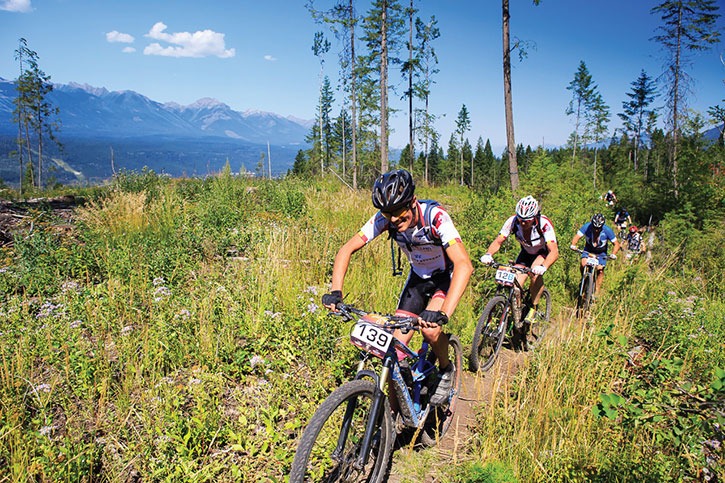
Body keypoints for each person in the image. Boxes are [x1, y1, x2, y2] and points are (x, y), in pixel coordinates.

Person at [321, 169, 473, 406]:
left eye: (400, 214)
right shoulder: (386, 218)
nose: (394, 221)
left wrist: (443, 313)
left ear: (412, 203)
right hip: (418, 280)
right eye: (388, 215)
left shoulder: (436, 217)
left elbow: (464, 265)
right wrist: (336, 291)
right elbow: (346, 249)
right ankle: (390, 419)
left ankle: (445, 368)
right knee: (394, 353)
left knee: (431, 331)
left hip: (445, 277)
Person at [480, 195, 559, 325]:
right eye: (520, 219)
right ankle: (516, 316)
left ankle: (534, 307)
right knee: (516, 285)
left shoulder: (544, 223)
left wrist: (543, 267)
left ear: (534, 217)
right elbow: (499, 241)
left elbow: (554, 251)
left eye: (526, 220)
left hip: (542, 253)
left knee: (534, 275)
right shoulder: (512, 221)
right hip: (526, 253)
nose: (522, 222)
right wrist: (489, 254)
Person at [570, 213, 621, 297]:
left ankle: (597, 291)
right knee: (583, 264)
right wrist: (573, 244)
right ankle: (583, 279)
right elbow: (577, 236)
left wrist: (613, 254)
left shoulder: (607, 230)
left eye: (599, 228)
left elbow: (616, 244)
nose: (596, 230)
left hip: (601, 253)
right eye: (594, 228)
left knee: (600, 270)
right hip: (588, 250)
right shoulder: (587, 227)